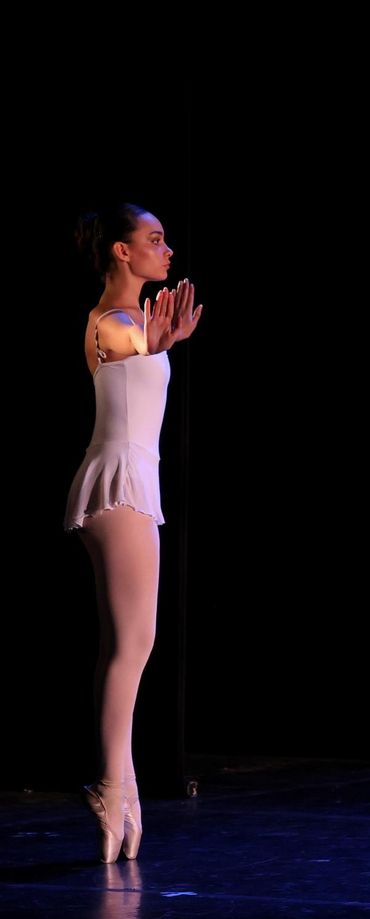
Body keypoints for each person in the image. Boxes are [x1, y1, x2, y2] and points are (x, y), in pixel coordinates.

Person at [65, 203, 203, 862]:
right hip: (116, 486)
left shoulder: (136, 322)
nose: (167, 249)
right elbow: (119, 346)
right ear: (122, 252)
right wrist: (159, 341)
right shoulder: (108, 322)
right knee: (131, 644)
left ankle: (123, 785)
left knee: (135, 643)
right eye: (154, 239)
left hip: (136, 488)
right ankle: (111, 782)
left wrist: (160, 339)